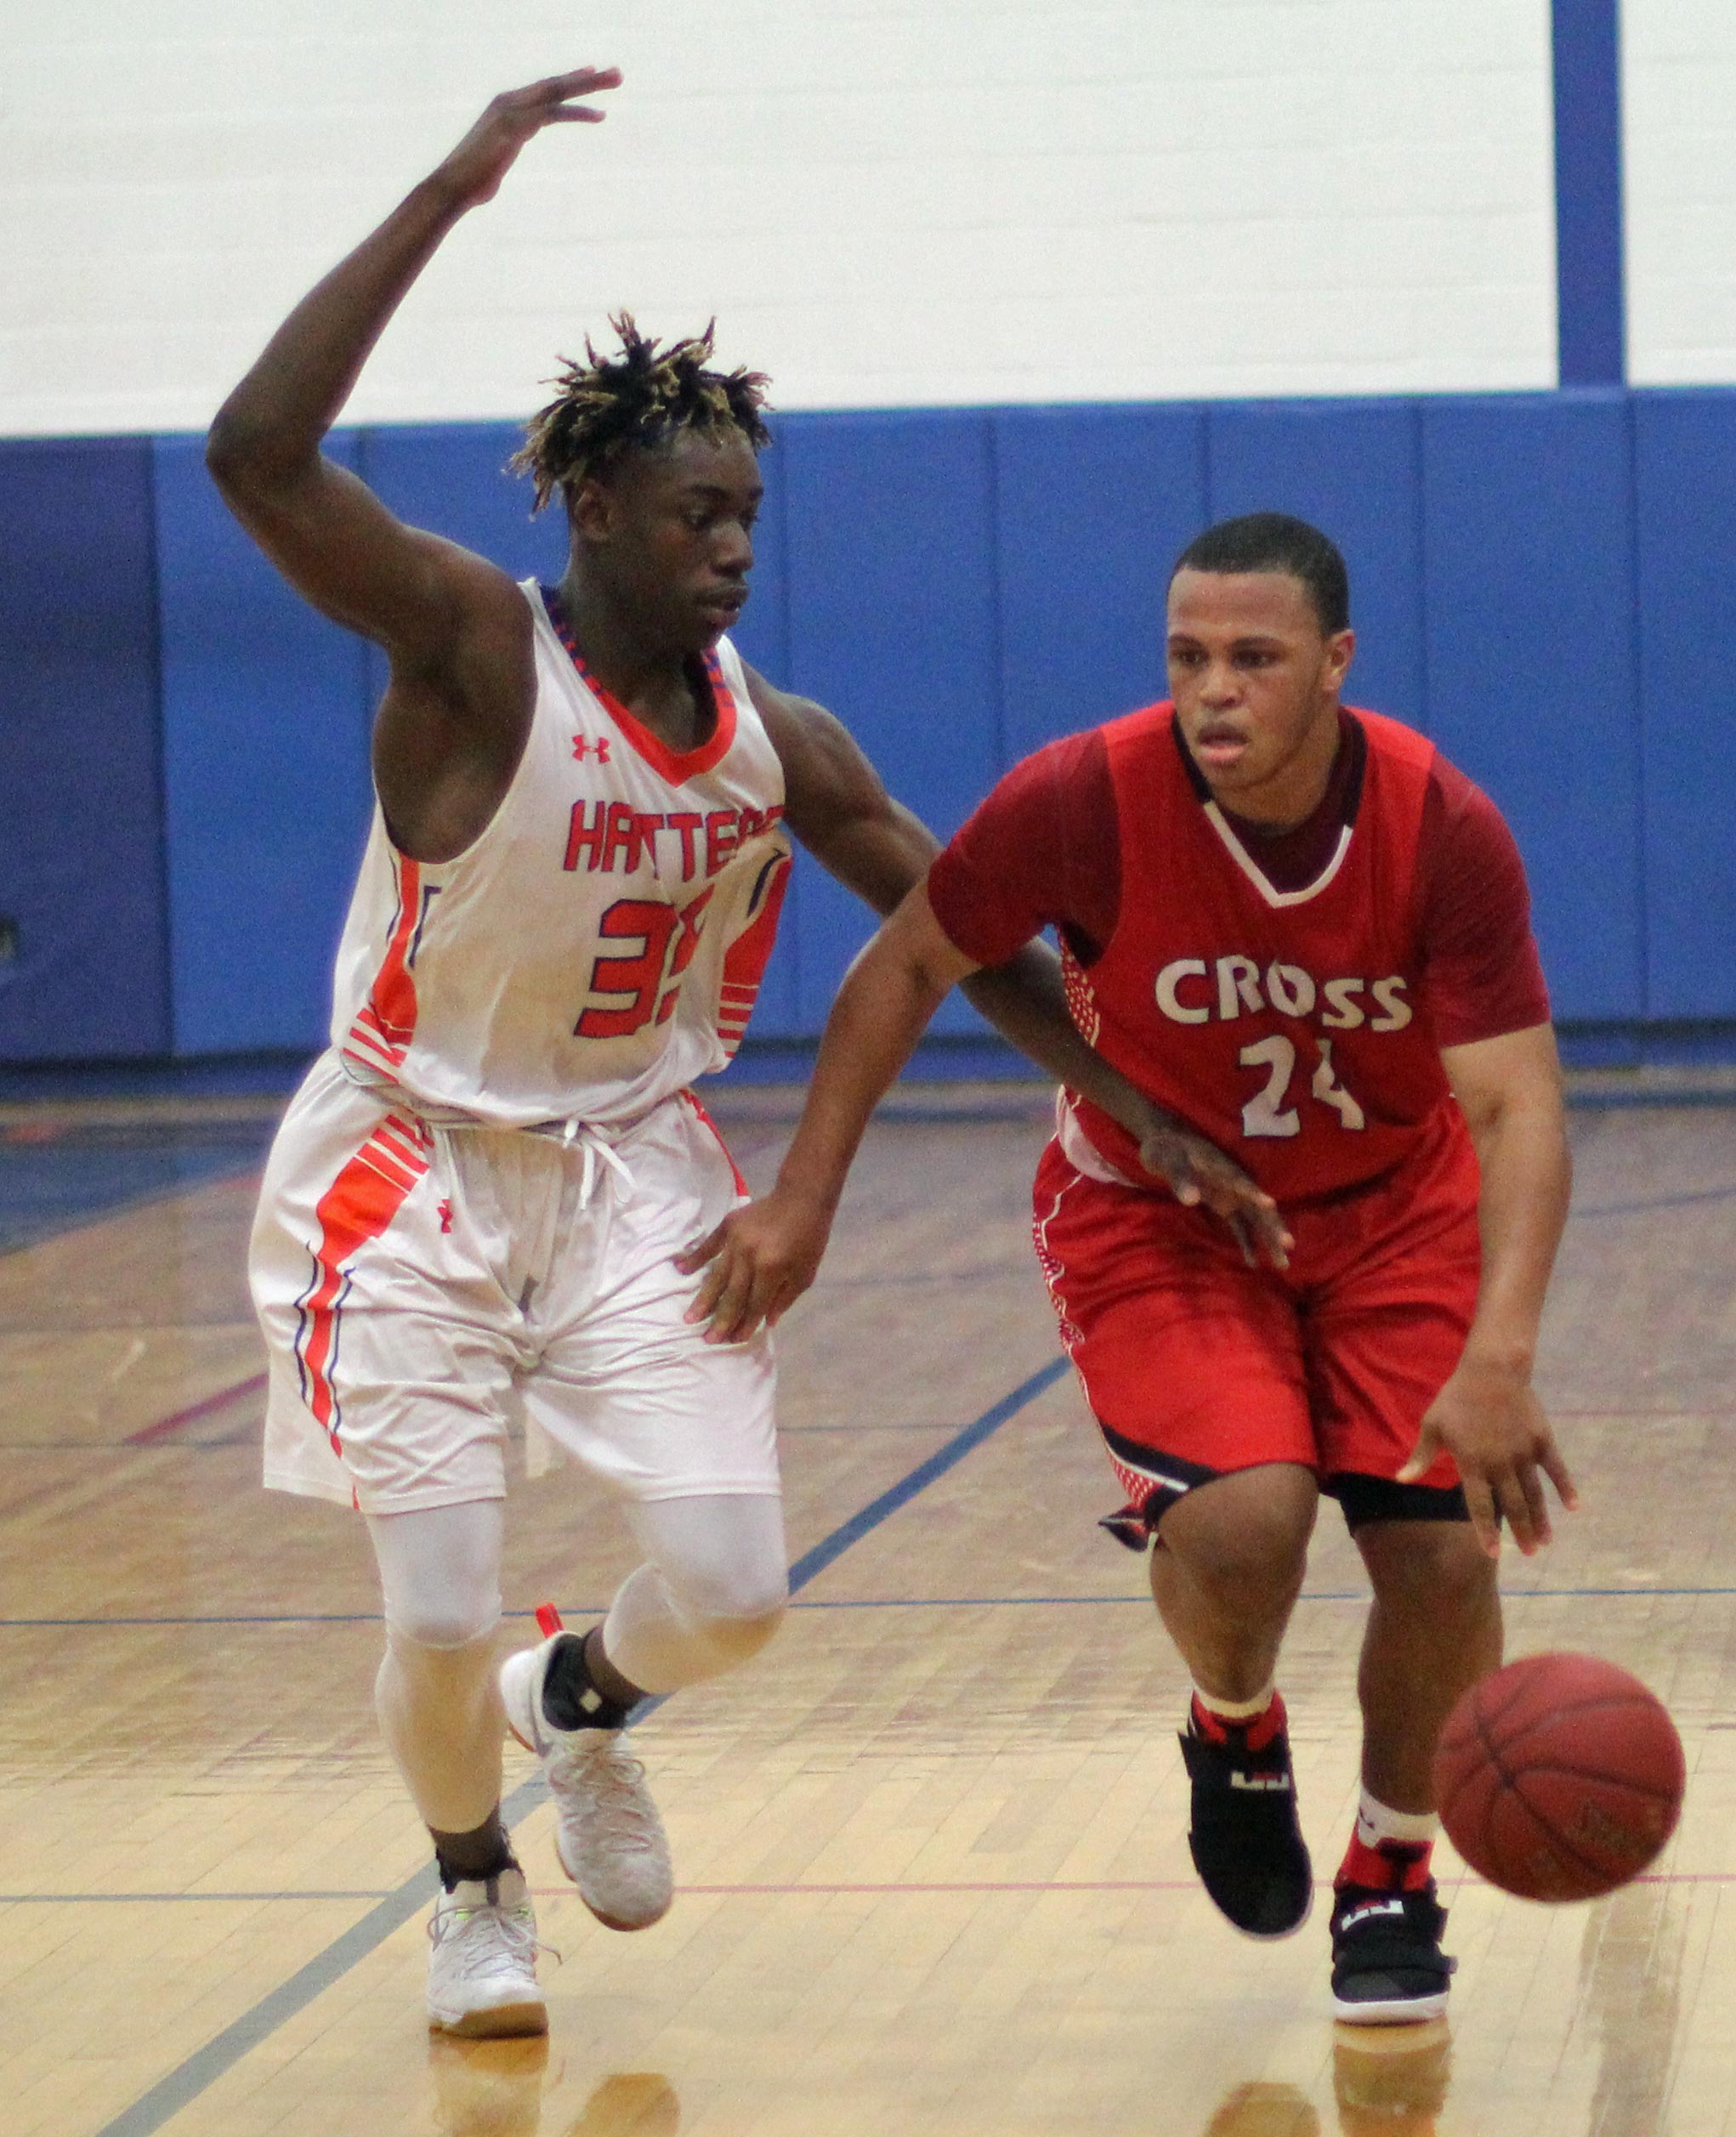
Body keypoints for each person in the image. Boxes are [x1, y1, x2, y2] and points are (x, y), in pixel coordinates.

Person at [209, 70, 1271, 2040]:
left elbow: (959, 924)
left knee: (738, 1592)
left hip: (638, 1176)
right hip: (408, 1170)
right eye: (700, 514)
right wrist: (447, 192)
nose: (733, 549)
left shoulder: (781, 739)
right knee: (430, 1610)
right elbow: (256, 455)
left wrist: (1137, 1106)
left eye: (751, 518)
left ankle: (577, 1706)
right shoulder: (473, 650)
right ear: (598, 508)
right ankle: (473, 1889)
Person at [683, 511, 1579, 2026]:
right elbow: (908, 960)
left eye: (1255, 658)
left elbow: (1517, 1103)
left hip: (1392, 1206)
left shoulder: (1439, 822)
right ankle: (1235, 1723)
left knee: (1441, 1559)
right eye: (1187, 656)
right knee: (1245, 1528)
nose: (1214, 689)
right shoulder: (1086, 795)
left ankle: (1391, 1867)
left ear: (1337, 664)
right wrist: (806, 1198)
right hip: (1164, 1212)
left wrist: (1503, 1354)